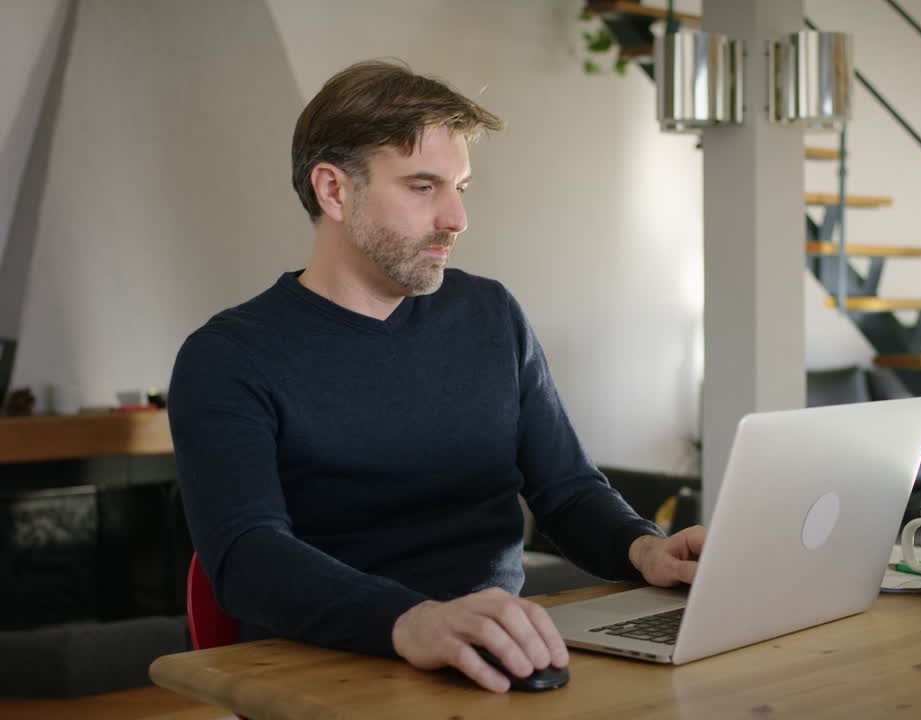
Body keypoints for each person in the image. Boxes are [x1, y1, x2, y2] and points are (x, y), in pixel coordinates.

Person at [169, 60, 706, 694]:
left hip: (498, 663)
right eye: (424, 187)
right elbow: (246, 555)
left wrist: (644, 549)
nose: (456, 218)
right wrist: (412, 621)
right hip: (324, 675)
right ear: (333, 190)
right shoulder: (228, 357)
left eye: (461, 187)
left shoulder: (490, 315)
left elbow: (566, 490)